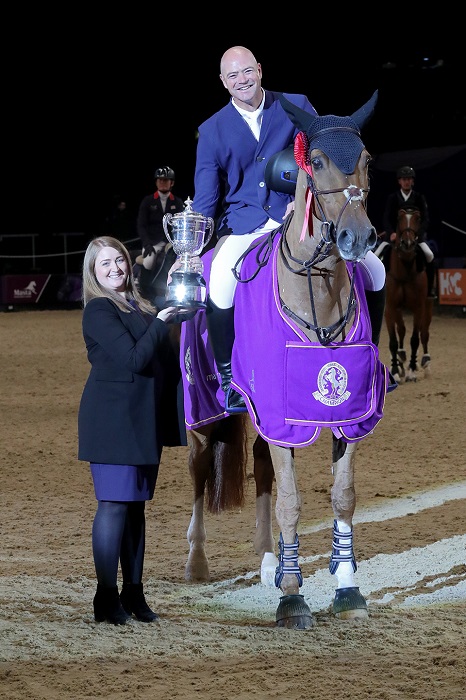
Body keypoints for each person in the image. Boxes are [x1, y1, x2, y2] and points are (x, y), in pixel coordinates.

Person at [191, 45, 389, 414]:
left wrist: (305, 198)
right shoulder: (212, 130)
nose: (242, 81)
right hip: (246, 225)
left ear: (260, 70)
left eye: (247, 71)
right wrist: (187, 252)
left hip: (298, 216)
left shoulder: (295, 104)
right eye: (233, 76)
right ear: (223, 82)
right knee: (219, 280)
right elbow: (205, 200)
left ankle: (371, 361)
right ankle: (228, 376)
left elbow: (321, 156)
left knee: (375, 270)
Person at [78, 235, 188, 625]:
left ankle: (134, 593)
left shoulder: (136, 305)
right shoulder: (99, 310)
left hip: (142, 420)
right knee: (113, 506)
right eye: (105, 264)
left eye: (119, 261)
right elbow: (133, 358)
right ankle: (105, 598)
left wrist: (176, 307)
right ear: (93, 272)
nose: (115, 269)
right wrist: (160, 322)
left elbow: (159, 348)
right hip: (112, 422)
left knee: (135, 510)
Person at [376, 165, 436, 297]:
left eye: (409, 179)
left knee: (429, 255)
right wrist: (391, 232)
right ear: (399, 181)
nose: (406, 181)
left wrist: (418, 234)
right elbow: (386, 218)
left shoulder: (419, 197)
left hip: (415, 237)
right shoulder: (393, 198)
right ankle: (377, 290)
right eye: (404, 179)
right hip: (394, 236)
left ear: (412, 181)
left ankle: (430, 289)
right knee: (376, 255)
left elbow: (425, 218)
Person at [136, 167, 185, 299]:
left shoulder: (178, 202)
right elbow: (141, 225)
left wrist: (176, 242)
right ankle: (145, 293)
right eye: (160, 180)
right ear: (156, 182)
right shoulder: (148, 201)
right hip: (153, 241)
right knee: (149, 261)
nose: (163, 183)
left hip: (171, 242)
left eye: (166, 180)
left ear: (172, 183)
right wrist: (146, 244)